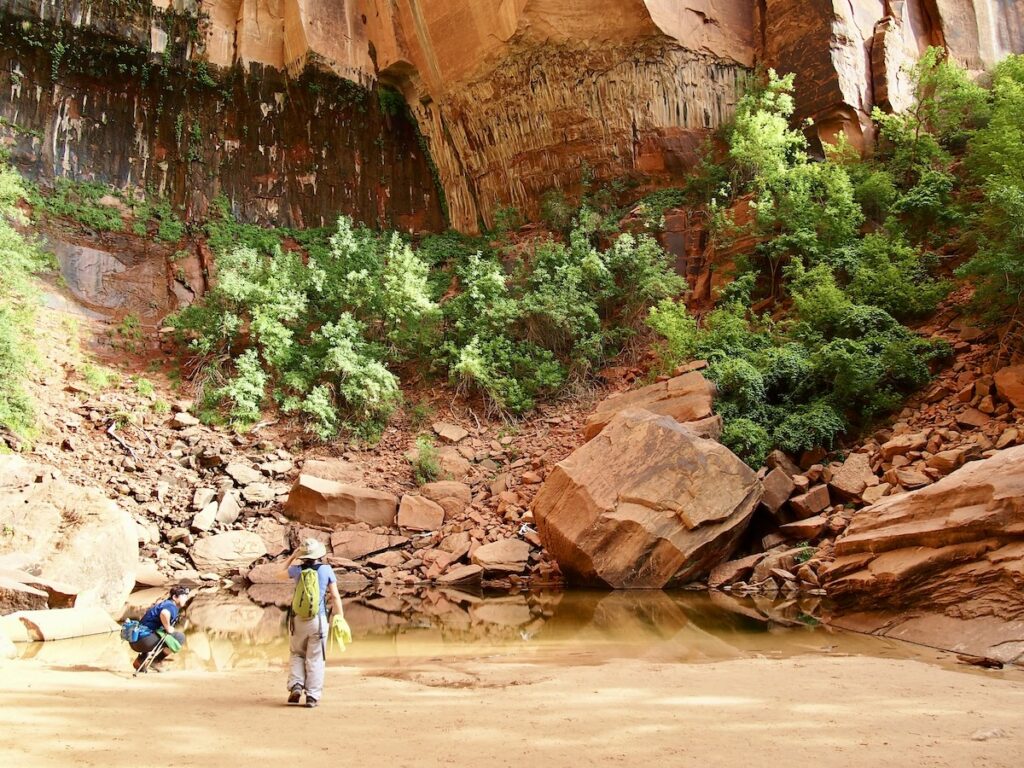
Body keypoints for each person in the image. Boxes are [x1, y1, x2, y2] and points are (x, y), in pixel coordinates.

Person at [284, 538, 344, 708]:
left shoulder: (296, 570)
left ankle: (296, 685)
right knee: (316, 658)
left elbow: (278, 573)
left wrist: (292, 557)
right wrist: (339, 617)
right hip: (318, 620)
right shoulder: (326, 570)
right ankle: (312, 696)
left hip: (298, 620)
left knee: (297, 653)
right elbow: (335, 596)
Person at [130, 585, 190, 672]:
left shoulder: (165, 604)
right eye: (184, 596)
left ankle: (140, 661)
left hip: (135, 640)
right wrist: (168, 627)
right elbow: (164, 613)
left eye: (186, 596)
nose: (186, 599)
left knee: (159, 632)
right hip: (143, 640)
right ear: (174, 597)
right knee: (179, 637)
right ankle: (156, 661)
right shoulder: (170, 606)